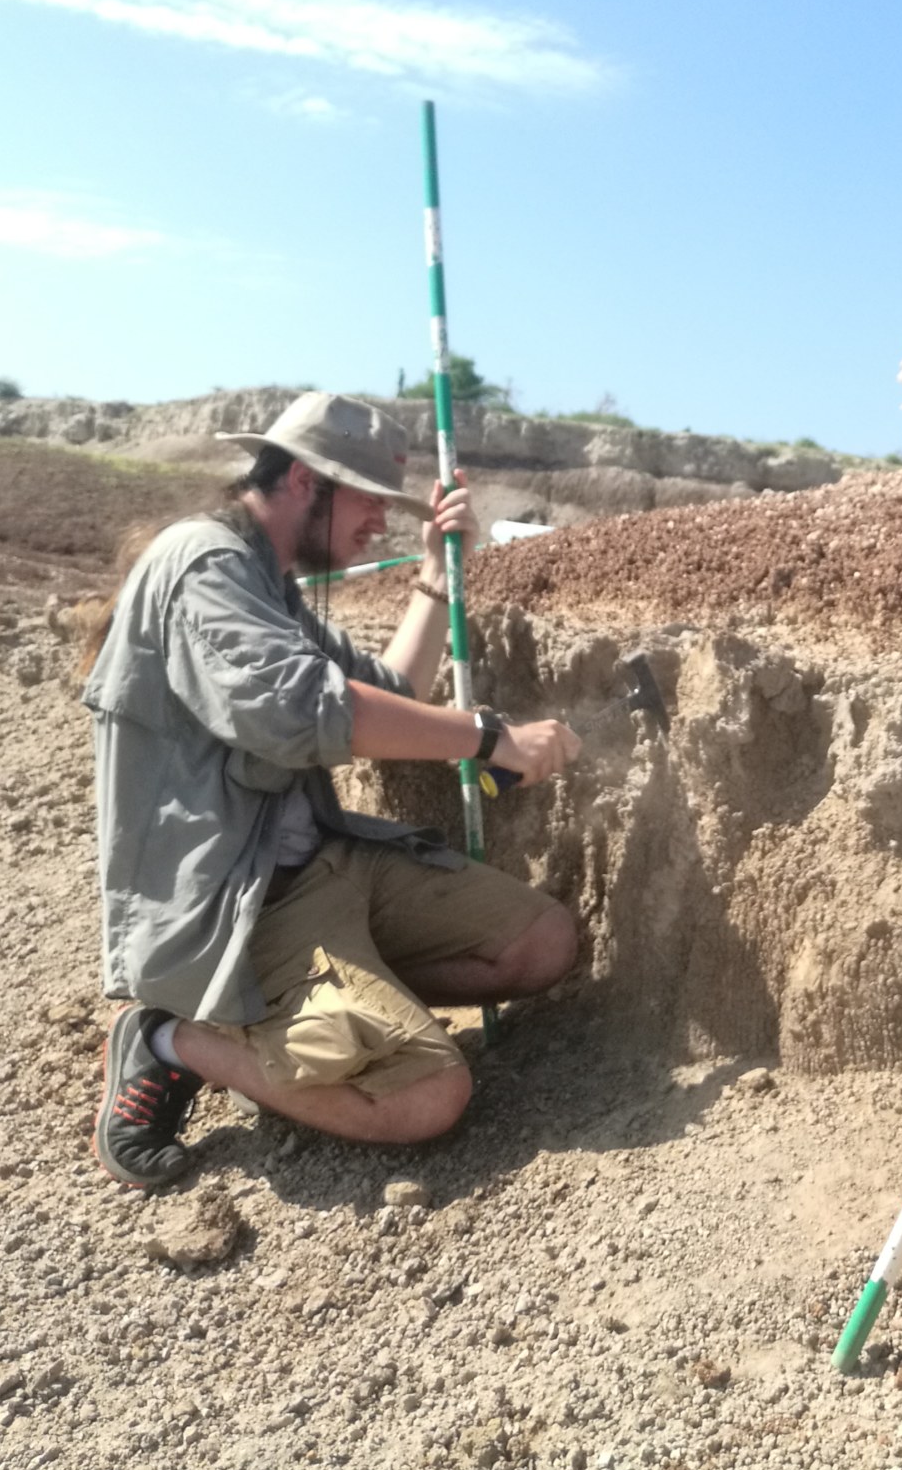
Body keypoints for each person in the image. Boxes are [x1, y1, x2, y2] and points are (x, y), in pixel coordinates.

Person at [82, 391, 583, 1190]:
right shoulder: (205, 565)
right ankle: (169, 1038)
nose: (379, 523)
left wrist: (433, 574)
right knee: (427, 1093)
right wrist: (490, 738)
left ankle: (334, 1008)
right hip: (246, 905)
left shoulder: (267, 581)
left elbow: (388, 692)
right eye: (369, 500)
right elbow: (302, 711)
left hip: (323, 863)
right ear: (305, 482)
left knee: (540, 943)